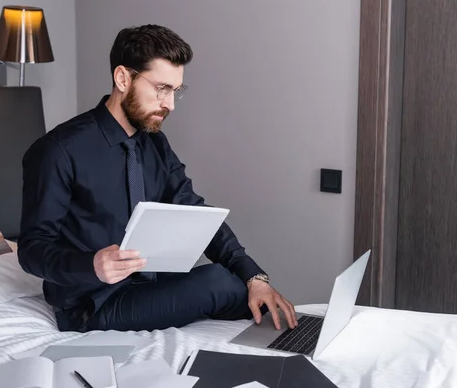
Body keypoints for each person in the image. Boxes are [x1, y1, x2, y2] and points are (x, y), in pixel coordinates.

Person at [17, 24, 297, 334]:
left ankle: (285, 336)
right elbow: (32, 250)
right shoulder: (58, 150)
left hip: (149, 283)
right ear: (123, 78)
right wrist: (92, 264)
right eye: (161, 89)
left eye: (176, 91)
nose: (170, 104)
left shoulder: (154, 143)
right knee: (217, 282)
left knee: (233, 279)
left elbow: (194, 210)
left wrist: (254, 277)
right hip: (92, 302)